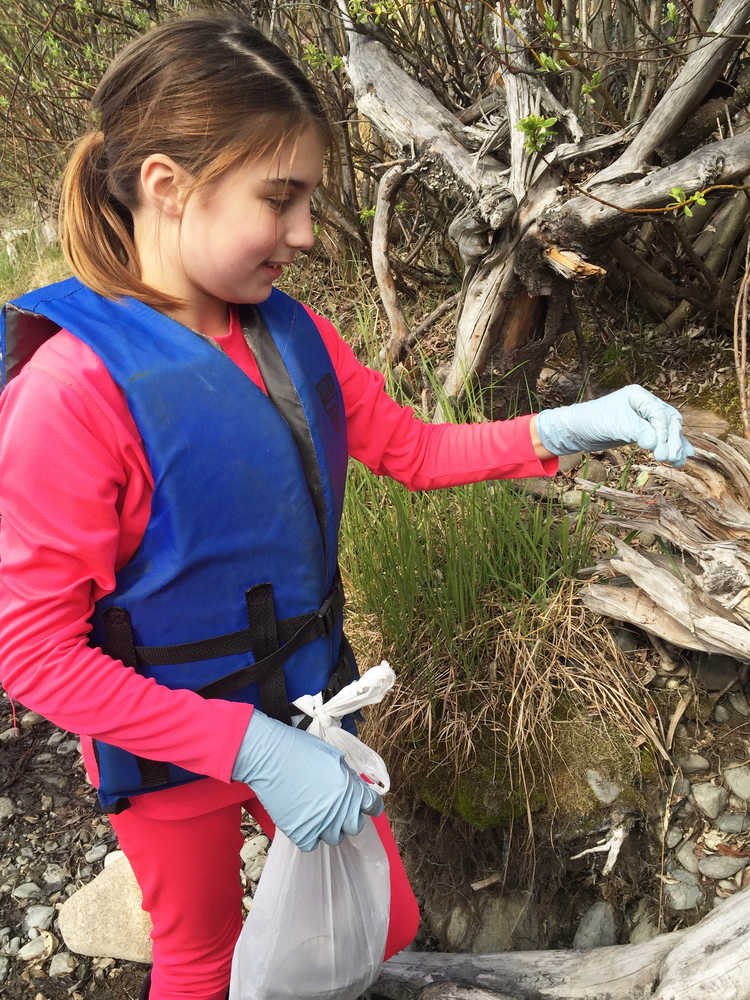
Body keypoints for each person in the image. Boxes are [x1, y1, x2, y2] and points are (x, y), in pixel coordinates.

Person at [0, 13, 693, 1000]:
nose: (307, 234)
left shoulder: (294, 335)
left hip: (314, 695)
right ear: (165, 185)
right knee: (199, 956)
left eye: (311, 200)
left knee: (384, 922)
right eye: (278, 199)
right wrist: (244, 747)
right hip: (167, 739)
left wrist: (565, 427)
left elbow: (412, 451)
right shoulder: (72, 391)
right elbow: (30, 654)